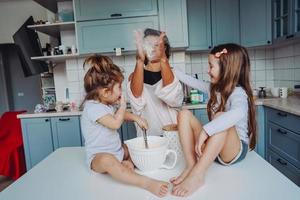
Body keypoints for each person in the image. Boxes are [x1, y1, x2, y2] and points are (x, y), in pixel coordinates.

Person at [171, 43, 257, 197]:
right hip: (214, 148)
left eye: (211, 66)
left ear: (226, 69)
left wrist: (206, 130)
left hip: (233, 152)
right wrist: (171, 70)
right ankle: (191, 165)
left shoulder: (238, 93)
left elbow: (239, 112)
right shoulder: (214, 89)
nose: (207, 70)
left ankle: (197, 174)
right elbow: (191, 81)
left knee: (220, 117)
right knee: (183, 114)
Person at [80, 55, 169, 197]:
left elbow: (119, 116)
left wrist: (136, 118)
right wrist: (122, 106)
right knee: (108, 161)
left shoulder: (105, 104)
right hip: (98, 158)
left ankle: (126, 163)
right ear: (105, 92)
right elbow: (115, 123)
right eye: (119, 88)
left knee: (131, 148)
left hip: (117, 151)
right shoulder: (92, 108)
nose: (121, 92)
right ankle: (146, 183)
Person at [127, 28, 183, 137]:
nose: (152, 48)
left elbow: (171, 96)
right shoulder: (135, 76)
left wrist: (163, 59)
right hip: (148, 138)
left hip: (172, 136)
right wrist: (139, 61)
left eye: (156, 45)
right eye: (147, 44)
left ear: (164, 47)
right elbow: (136, 97)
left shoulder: (173, 75)